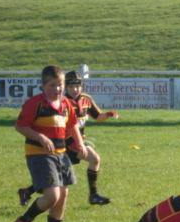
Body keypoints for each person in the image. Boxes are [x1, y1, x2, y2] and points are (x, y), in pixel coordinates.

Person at [18, 71, 118, 206]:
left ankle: (27, 191)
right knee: (60, 177)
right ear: (66, 87)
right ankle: (93, 196)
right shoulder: (62, 102)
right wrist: (76, 143)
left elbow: (98, 116)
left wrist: (109, 114)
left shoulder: (86, 99)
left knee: (56, 178)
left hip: (77, 143)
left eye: (78, 86)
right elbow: (63, 127)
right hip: (63, 144)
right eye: (71, 87)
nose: (75, 89)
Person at [14, 65, 86, 222]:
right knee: (52, 196)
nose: (57, 89)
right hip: (39, 154)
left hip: (61, 154)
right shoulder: (35, 103)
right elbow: (21, 126)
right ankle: (24, 221)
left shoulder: (65, 104)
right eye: (52, 85)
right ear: (43, 86)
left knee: (63, 195)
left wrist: (80, 143)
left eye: (60, 84)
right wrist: (40, 137)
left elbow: (72, 125)